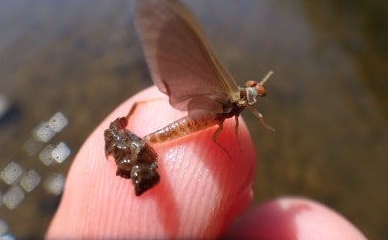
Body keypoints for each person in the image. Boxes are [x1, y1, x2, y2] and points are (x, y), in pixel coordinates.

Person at [46, 87, 367, 240]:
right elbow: (222, 135)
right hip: (193, 127)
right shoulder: (233, 107)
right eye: (255, 91)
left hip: (203, 124)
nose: (255, 96)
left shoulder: (236, 108)